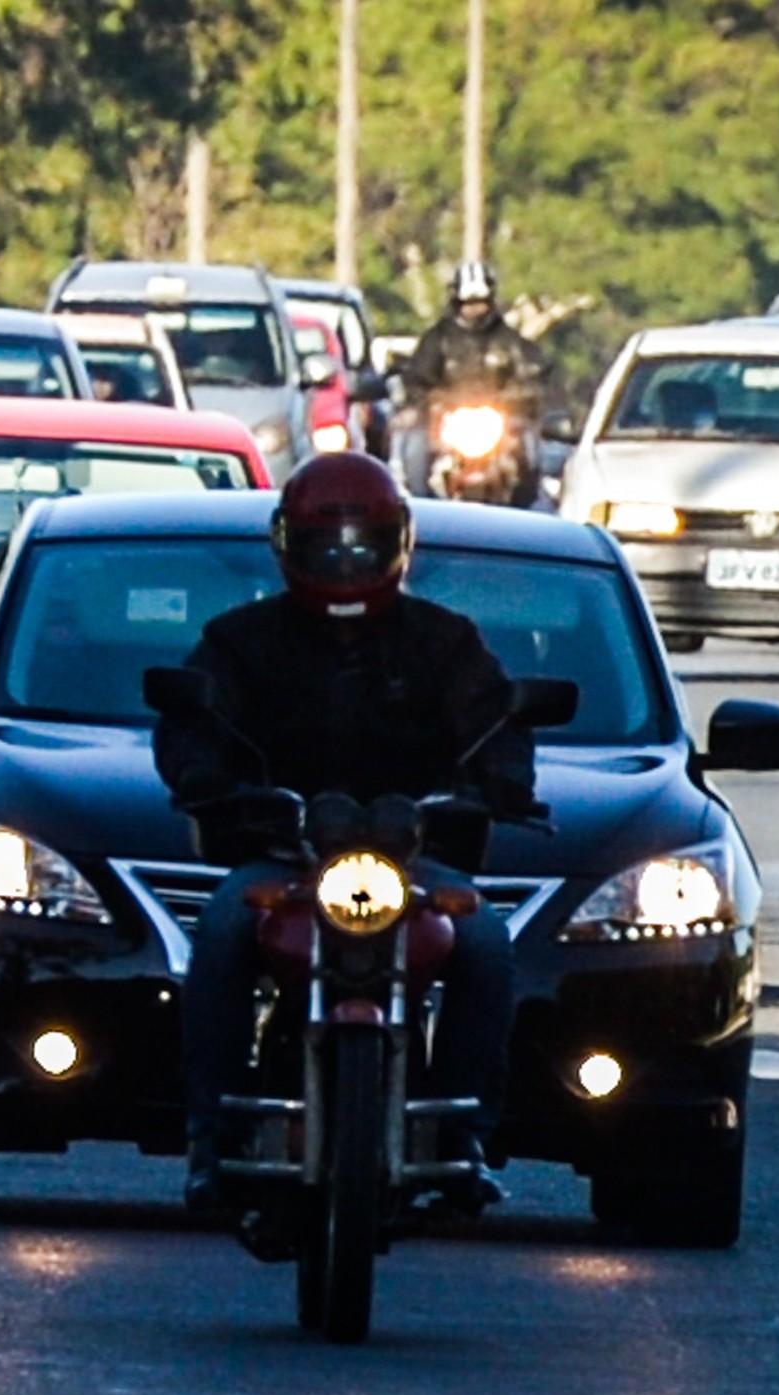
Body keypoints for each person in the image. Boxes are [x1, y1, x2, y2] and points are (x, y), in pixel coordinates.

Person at [153, 453, 527, 1218]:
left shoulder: (446, 641)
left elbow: (497, 720)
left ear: (398, 544)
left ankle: (466, 1138)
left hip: (416, 857)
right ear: (287, 545)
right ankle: (211, 1136)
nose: (347, 562)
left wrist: (498, 784)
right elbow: (192, 719)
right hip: (283, 851)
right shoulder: (239, 639)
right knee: (223, 929)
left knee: (486, 945)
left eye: (364, 545)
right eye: (327, 547)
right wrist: (210, 781)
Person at [396, 260, 550, 419]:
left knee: (532, 439)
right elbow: (417, 379)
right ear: (456, 303)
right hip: (447, 424)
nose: (474, 308)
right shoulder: (437, 339)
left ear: (490, 301)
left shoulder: (510, 339)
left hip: (502, 424)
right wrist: (436, 400)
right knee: (408, 433)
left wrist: (516, 397)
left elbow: (533, 375)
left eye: (480, 302)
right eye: (467, 303)